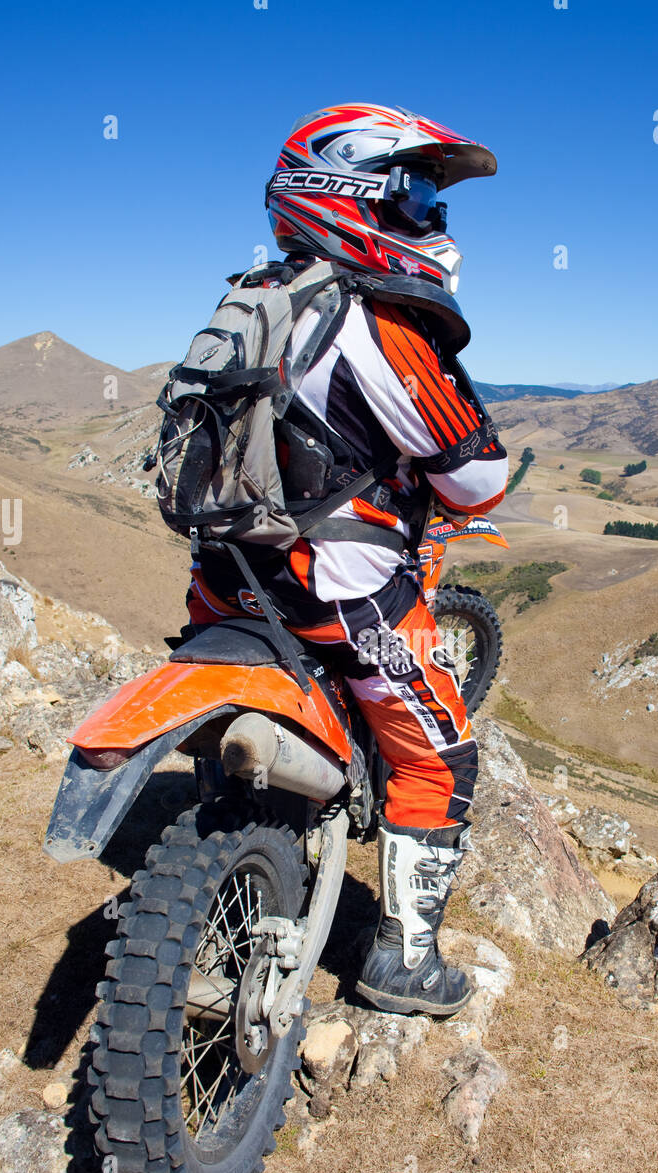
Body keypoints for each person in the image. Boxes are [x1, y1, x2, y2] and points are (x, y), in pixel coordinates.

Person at [186, 103, 508, 1017]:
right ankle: (401, 961)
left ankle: (253, 827)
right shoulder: (380, 325)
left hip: (229, 579)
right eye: (413, 192)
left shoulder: (253, 299)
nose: (432, 217)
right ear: (347, 196)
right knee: (439, 761)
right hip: (339, 591)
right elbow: (475, 479)